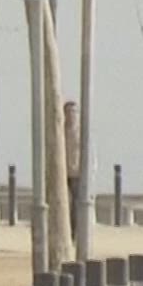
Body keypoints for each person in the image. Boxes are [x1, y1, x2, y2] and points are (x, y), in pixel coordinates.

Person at [63, 100, 82, 241]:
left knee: (75, 205)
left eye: (73, 112)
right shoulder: (59, 131)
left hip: (76, 173)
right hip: (62, 173)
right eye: (68, 112)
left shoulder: (82, 133)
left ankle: (73, 234)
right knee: (62, 204)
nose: (71, 115)